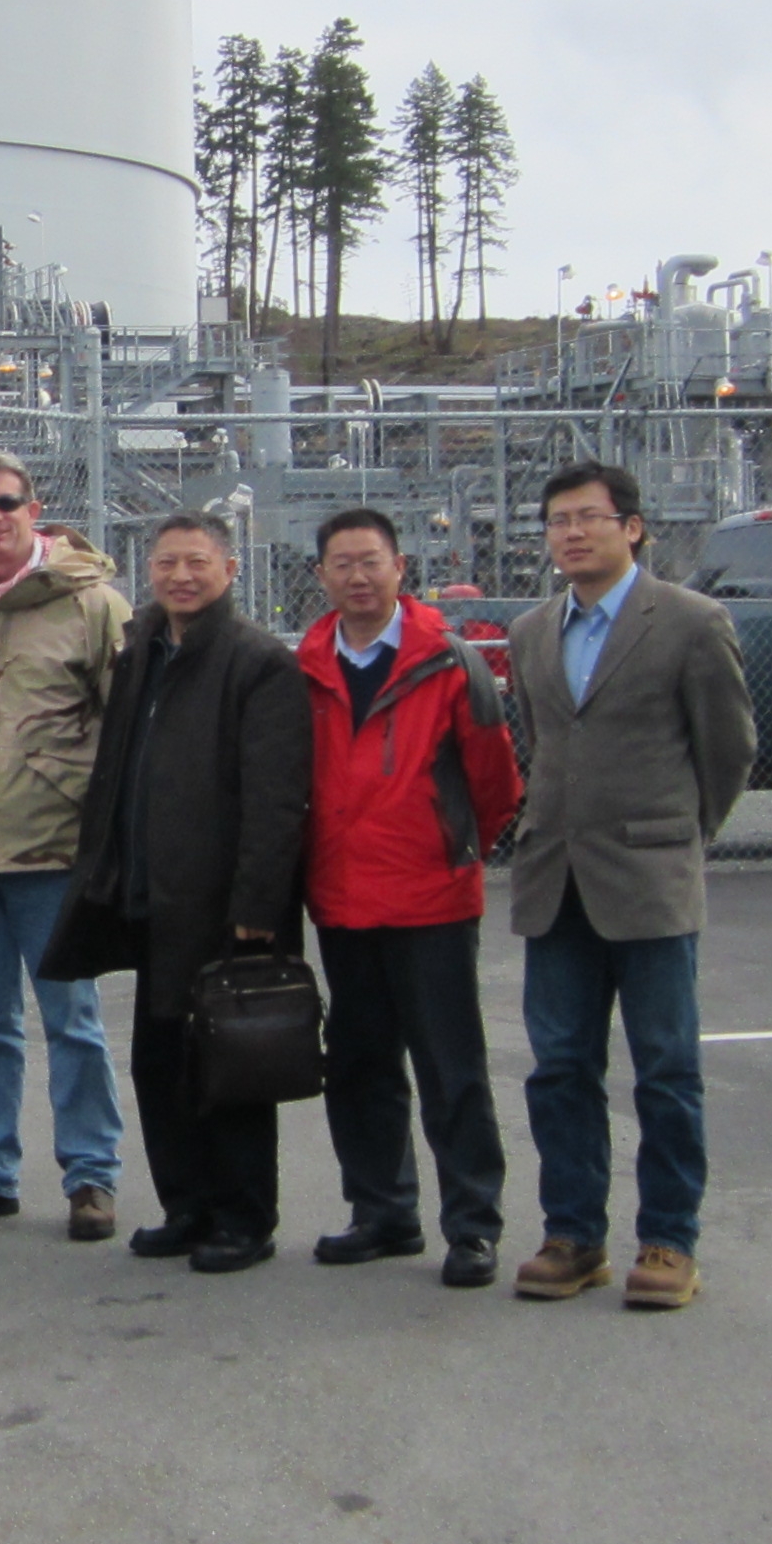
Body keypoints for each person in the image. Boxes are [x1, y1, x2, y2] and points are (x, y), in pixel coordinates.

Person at [504, 460, 758, 1310]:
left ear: (632, 527)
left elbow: (726, 750)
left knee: (665, 1070)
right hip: (556, 883)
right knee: (561, 1068)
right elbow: (542, 744)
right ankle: (573, 1234)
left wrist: (682, 838)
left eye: (589, 518)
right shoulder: (533, 630)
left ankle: (668, 1240)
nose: (571, 534)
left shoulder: (688, 623)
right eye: (557, 522)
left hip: (650, 880)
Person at [55, 512, 311, 1273]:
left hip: (219, 904)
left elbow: (276, 799)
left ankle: (243, 1216)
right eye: (167, 563)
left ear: (228, 571)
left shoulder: (257, 662)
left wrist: (256, 909)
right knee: (160, 1063)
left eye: (197, 563)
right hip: (148, 892)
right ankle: (187, 1206)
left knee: (228, 1063)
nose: (180, 577)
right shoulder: (143, 651)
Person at [297, 507, 525, 1288]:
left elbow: (495, 783)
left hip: (431, 898)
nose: (357, 577)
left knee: (450, 1067)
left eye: (371, 562)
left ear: (400, 568)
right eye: (341, 564)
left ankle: (472, 1225)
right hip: (342, 898)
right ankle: (382, 1211)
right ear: (321, 576)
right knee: (359, 1065)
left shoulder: (450, 663)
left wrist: (452, 852)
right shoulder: (306, 668)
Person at [0, 449, 132, 1238]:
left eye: (7, 502)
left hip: (52, 850)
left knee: (70, 1018)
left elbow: (124, 726)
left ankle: (91, 1174)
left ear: (34, 508)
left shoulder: (91, 605)